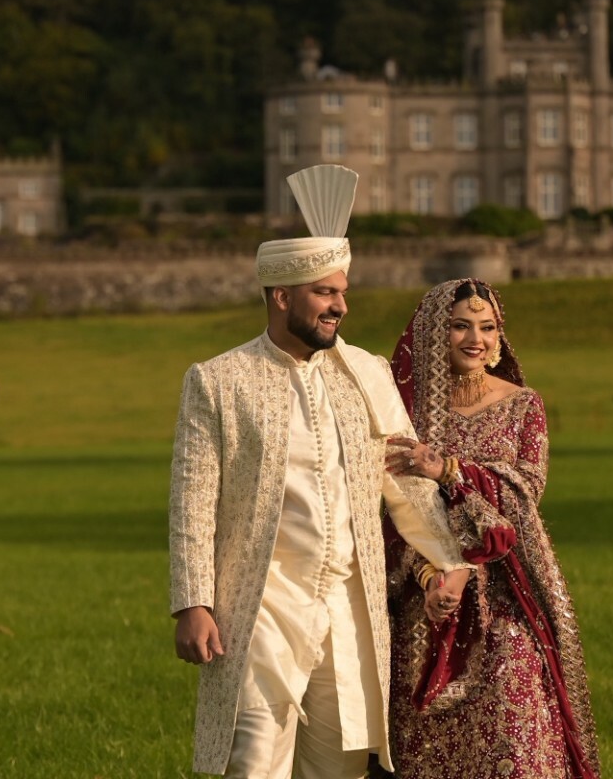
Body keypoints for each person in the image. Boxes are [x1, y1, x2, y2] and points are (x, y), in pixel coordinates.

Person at [169, 166, 470, 779]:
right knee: (254, 762)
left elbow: (404, 483)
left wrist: (450, 560)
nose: (342, 305)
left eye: (342, 291)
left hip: (347, 605)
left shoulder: (366, 371)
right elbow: (192, 500)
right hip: (256, 605)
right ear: (282, 296)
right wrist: (192, 603)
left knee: (340, 766)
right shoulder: (219, 380)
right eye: (325, 293)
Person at [383, 278, 601, 779]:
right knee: (425, 742)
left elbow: (525, 494)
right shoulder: (407, 413)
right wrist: (430, 575)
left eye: (486, 326)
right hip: (428, 594)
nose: (474, 338)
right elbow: (389, 508)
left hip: (506, 589)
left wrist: (450, 472)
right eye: (460, 326)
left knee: (515, 717)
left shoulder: (524, 405)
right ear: (436, 334)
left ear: (500, 336)